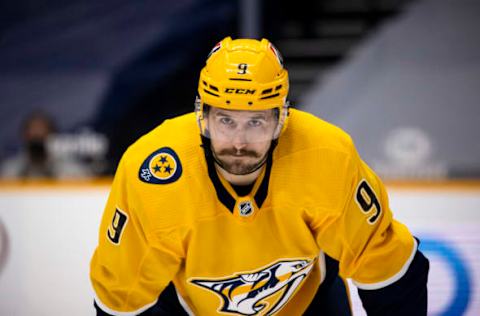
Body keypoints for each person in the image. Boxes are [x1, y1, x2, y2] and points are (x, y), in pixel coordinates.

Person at [90, 37, 429, 315]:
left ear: (281, 119)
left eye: (256, 122)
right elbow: (122, 297)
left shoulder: (326, 156)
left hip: (308, 305)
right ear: (202, 116)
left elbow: (388, 267)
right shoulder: (153, 173)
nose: (239, 142)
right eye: (226, 120)